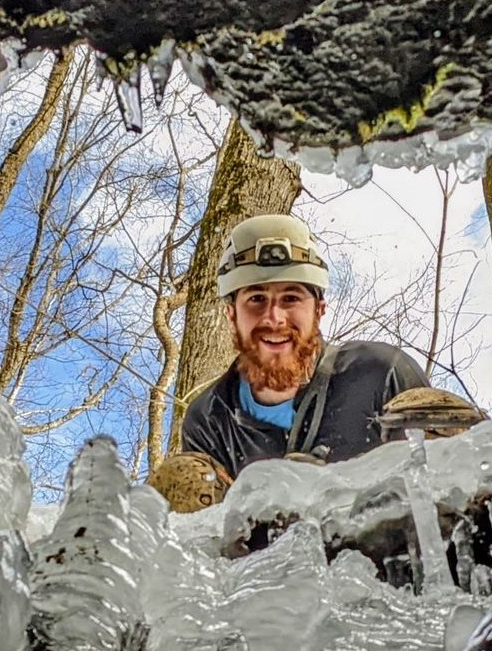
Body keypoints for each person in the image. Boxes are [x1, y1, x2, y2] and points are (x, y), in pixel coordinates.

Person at [149, 214, 441, 511]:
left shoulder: (381, 373)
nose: (274, 318)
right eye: (256, 299)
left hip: (388, 534)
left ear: (319, 310)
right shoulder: (210, 418)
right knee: (180, 478)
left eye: (291, 298)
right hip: (256, 541)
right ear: (232, 315)